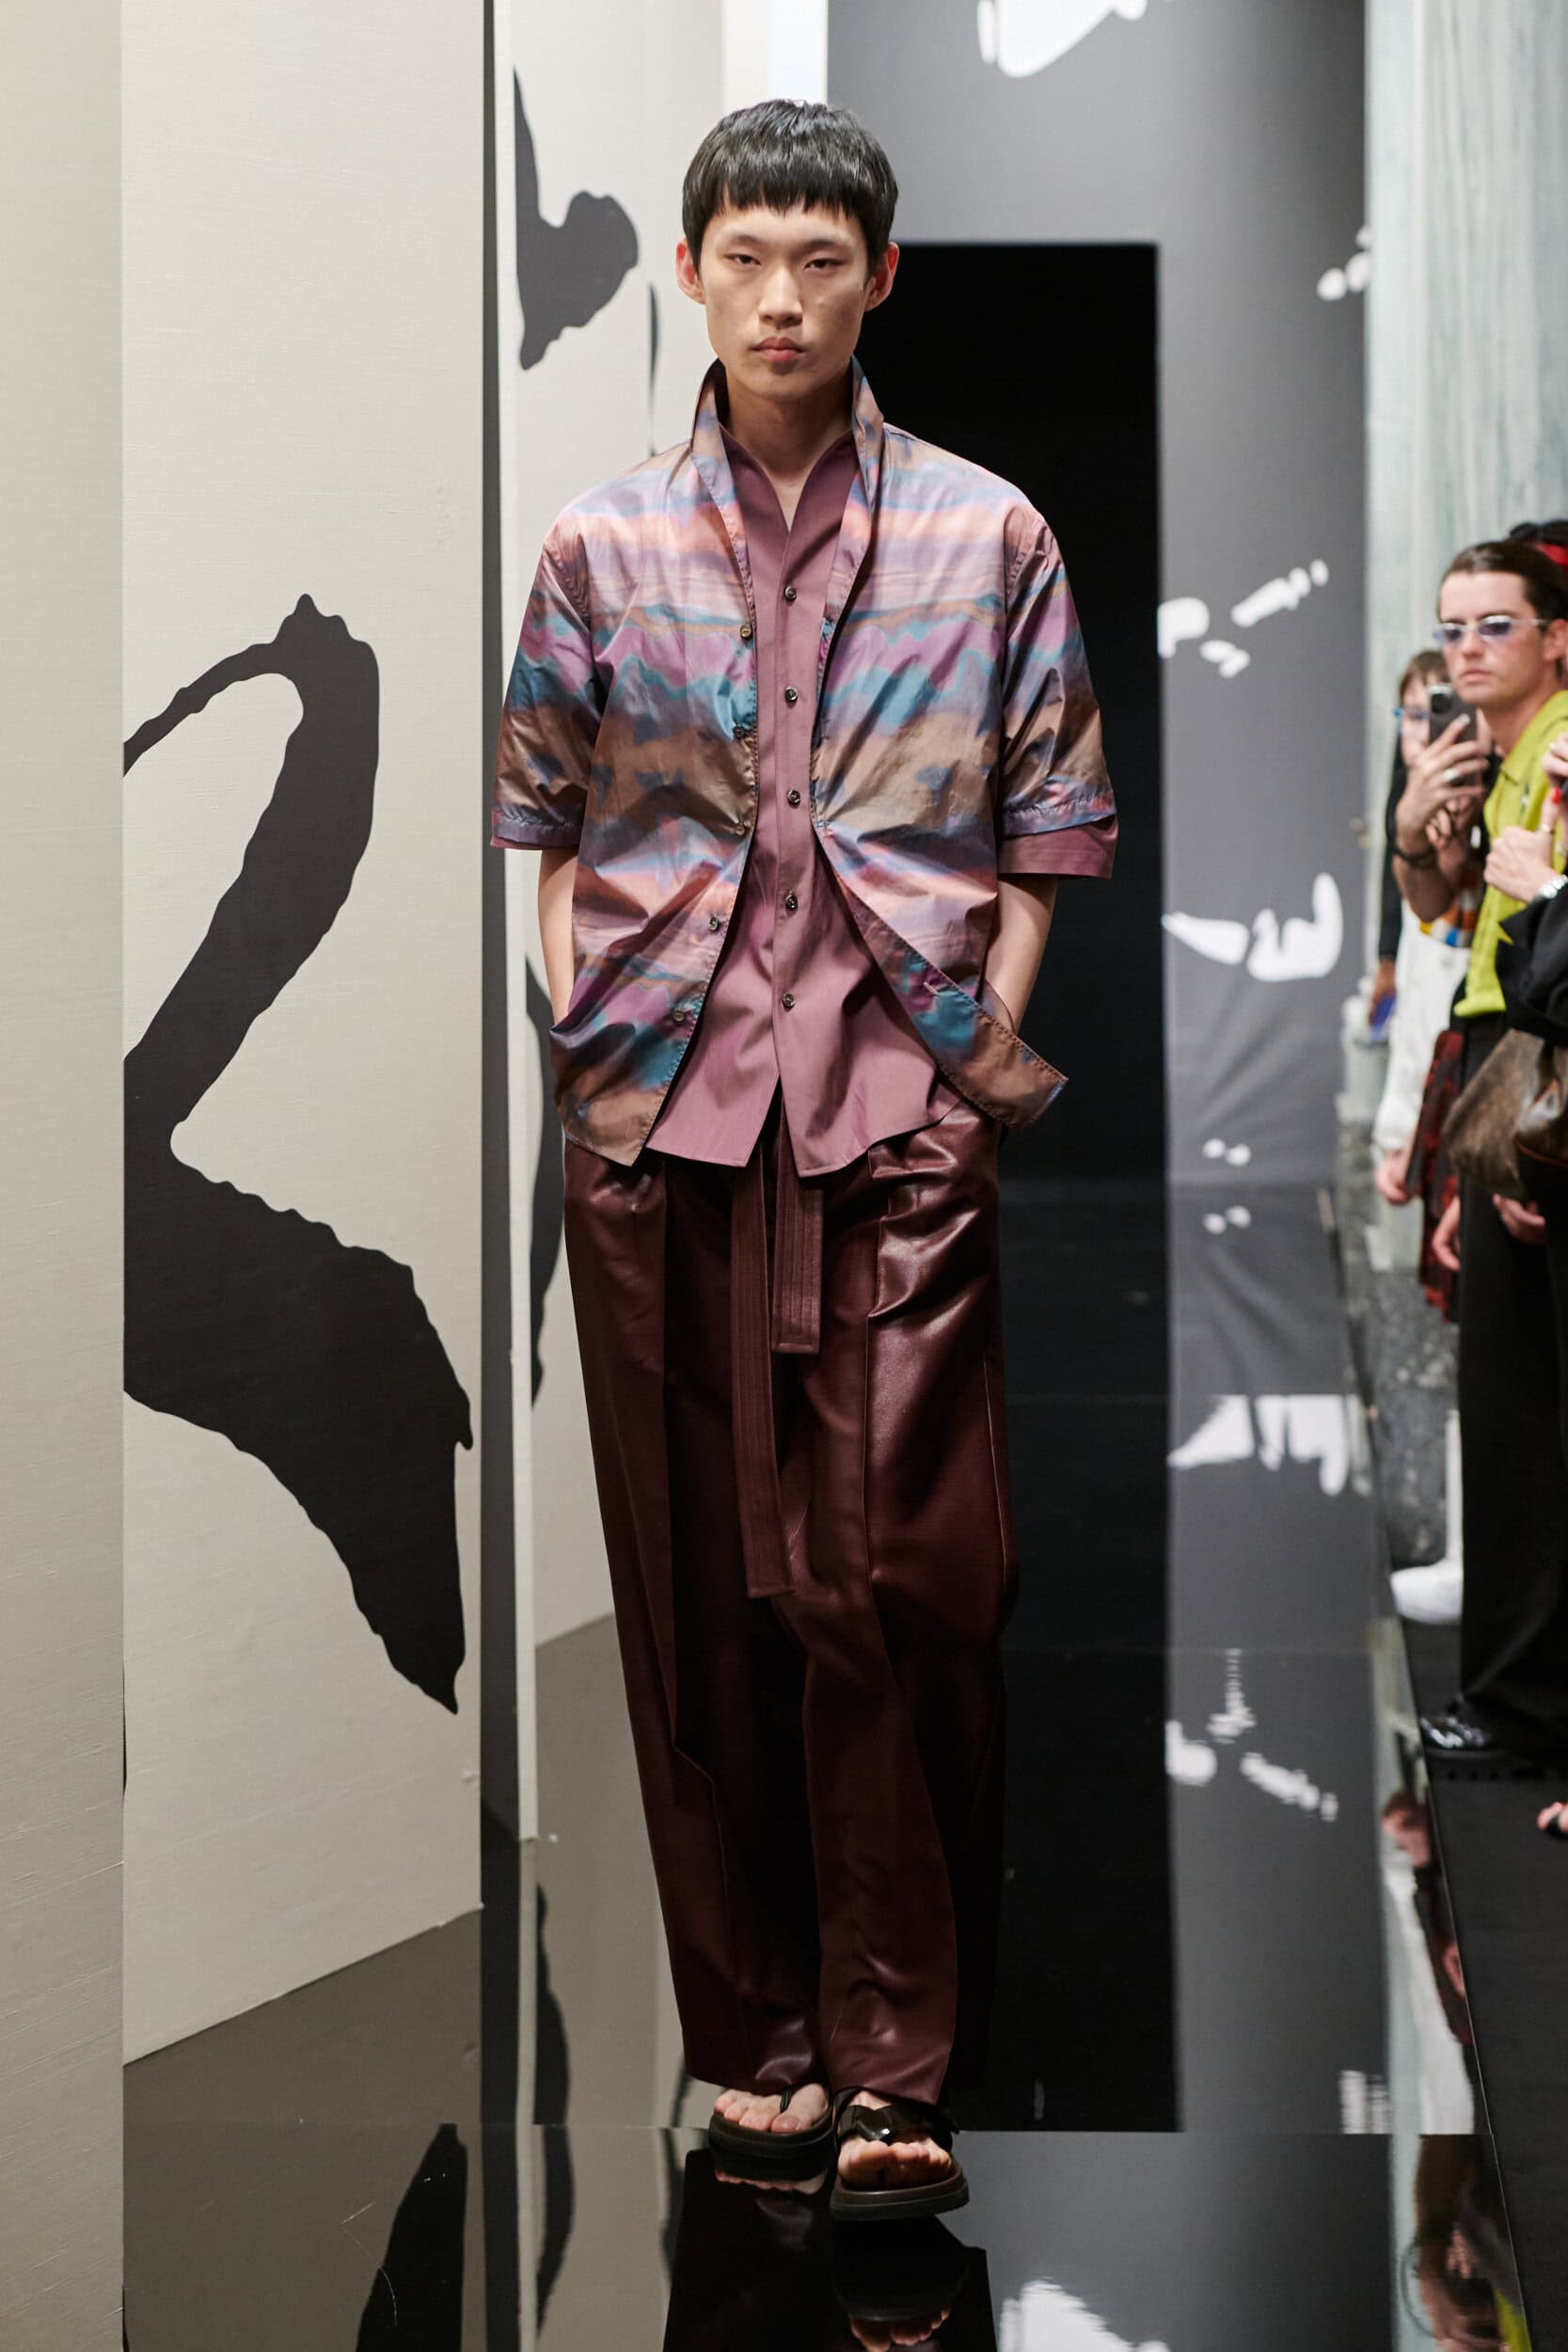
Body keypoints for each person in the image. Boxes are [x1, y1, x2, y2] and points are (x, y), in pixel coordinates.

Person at [490, 101, 1115, 2216]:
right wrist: (587, 1038)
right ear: (689, 272)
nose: (780, 298)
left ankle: (896, 2053)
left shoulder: (986, 532)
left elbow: (1046, 822)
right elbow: (543, 822)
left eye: (819, 261)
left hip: (891, 1114)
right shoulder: (599, 542)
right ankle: (756, 2033)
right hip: (657, 1117)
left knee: (900, 1580)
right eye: (745, 257)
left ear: (880, 277)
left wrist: (964, 1057)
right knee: (694, 1593)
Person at [1389, 539, 1568, 1770]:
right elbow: (1443, 912)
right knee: (1507, 1410)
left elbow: (1529, 943)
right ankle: (1514, 1702)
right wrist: (1417, 822)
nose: (1463, 649)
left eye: (1491, 625)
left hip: (1535, 1062)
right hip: (1507, 1061)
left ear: (1553, 638)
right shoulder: (1505, 754)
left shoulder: (1553, 749)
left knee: (1521, 1418)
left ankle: (1524, 1707)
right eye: (1450, 626)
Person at [1372, 648, 1474, 1207]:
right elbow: (1417, 1007)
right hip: (1426, 1088)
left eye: (1437, 712)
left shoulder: (1481, 800)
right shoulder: (1408, 801)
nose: (1421, 732)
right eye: (1411, 714)